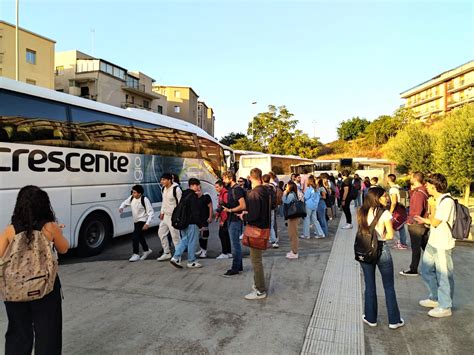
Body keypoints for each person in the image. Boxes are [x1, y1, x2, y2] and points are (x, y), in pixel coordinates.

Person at [0, 185, 69, 355]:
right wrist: (57, 233)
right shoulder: (50, 227)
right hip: (46, 287)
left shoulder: (10, 229)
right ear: (44, 205)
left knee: (18, 332)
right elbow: (64, 249)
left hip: (15, 290)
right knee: (48, 332)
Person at [357, 187, 404, 329]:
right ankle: (394, 320)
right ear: (376, 198)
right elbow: (390, 235)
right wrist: (381, 238)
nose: (387, 198)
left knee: (369, 285)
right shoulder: (385, 214)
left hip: (365, 250)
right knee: (389, 286)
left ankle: (371, 318)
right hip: (382, 250)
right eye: (384, 196)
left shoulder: (361, 211)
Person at [414, 173, 455, 318]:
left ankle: (445, 306)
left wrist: (431, 208)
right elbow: (432, 221)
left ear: (434, 186)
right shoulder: (438, 200)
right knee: (426, 270)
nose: (426, 187)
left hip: (442, 244)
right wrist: (425, 218)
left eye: (428, 185)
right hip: (433, 241)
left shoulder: (446, 202)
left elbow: (435, 222)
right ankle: (435, 297)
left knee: (443, 275)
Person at [241, 168, 271, 300]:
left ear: (250, 178)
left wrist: (244, 216)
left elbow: (254, 214)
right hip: (264, 228)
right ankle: (258, 285)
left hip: (256, 230)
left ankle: (260, 290)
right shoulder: (267, 191)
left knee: (256, 261)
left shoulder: (254, 193)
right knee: (257, 260)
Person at [400, 172, 429, 276]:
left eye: (411, 177)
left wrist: (410, 221)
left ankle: (413, 269)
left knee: (416, 247)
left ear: (415, 179)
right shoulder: (420, 191)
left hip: (416, 225)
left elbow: (416, 210)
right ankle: (433, 267)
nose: (410, 178)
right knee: (426, 247)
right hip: (420, 224)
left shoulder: (419, 193)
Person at [170, 178, 203, 269]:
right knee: (192, 241)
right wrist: (200, 224)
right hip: (192, 223)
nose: (198, 187)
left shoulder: (184, 194)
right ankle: (190, 261)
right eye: (197, 185)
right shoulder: (193, 196)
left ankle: (176, 257)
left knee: (185, 240)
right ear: (193, 185)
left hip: (183, 222)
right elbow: (195, 212)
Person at [119, 184, 154, 262]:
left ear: (139, 193)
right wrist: (121, 207)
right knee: (140, 236)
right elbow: (125, 203)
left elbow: (150, 212)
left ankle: (136, 254)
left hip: (142, 220)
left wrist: (147, 223)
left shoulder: (144, 200)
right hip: (136, 220)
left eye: (134, 192)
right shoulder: (132, 198)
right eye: (132, 192)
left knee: (135, 236)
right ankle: (146, 250)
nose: (132, 194)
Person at [222, 171, 246, 277]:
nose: (223, 181)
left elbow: (243, 205)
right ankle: (239, 266)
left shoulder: (237, 190)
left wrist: (230, 210)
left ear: (230, 178)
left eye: (224, 178)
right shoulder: (232, 189)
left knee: (235, 245)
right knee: (235, 244)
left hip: (235, 220)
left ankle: (235, 268)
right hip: (232, 219)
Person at [156, 173, 182, 261]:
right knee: (161, 233)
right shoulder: (163, 189)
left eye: (163, 180)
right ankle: (167, 253)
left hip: (173, 217)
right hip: (165, 216)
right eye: (161, 180)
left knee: (175, 237)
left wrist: (179, 216)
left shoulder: (176, 189)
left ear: (169, 180)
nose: (161, 182)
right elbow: (164, 201)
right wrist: (162, 212)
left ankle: (178, 256)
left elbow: (181, 204)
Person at [387, 174, 409, 250]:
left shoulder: (393, 189)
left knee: (395, 224)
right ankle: (402, 242)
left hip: (397, 208)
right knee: (400, 226)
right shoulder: (398, 186)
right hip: (401, 207)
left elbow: (394, 201)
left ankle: (402, 243)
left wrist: (390, 211)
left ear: (388, 179)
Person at [282, 181, 302, 259]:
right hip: (293, 216)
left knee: (293, 234)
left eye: (287, 186)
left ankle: (294, 252)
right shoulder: (294, 194)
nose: (286, 187)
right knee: (292, 234)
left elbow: (285, 201)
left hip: (293, 216)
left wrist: (284, 193)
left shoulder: (291, 194)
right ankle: (293, 250)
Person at [214, 180, 232, 259]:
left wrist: (222, 220)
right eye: (215, 187)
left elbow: (224, 208)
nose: (216, 188)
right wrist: (217, 216)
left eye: (217, 187)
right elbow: (219, 206)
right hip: (224, 217)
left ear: (222, 186)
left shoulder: (225, 194)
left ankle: (225, 252)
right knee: (225, 235)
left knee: (222, 234)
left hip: (225, 217)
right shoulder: (222, 193)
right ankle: (228, 252)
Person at [195, 190, 213, 258]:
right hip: (198, 219)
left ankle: (204, 251)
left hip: (204, 218)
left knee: (204, 234)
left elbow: (210, 207)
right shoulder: (194, 198)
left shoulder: (206, 197)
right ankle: (202, 249)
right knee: (199, 235)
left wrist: (210, 217)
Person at [262, 174, 278, 248]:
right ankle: (274, 240)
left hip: (264, 209)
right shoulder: (272, 188)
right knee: (271, 225)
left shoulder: (261, 189)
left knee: (264, 225)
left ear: (262, 180)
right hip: (272, 208)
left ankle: (267, 240)